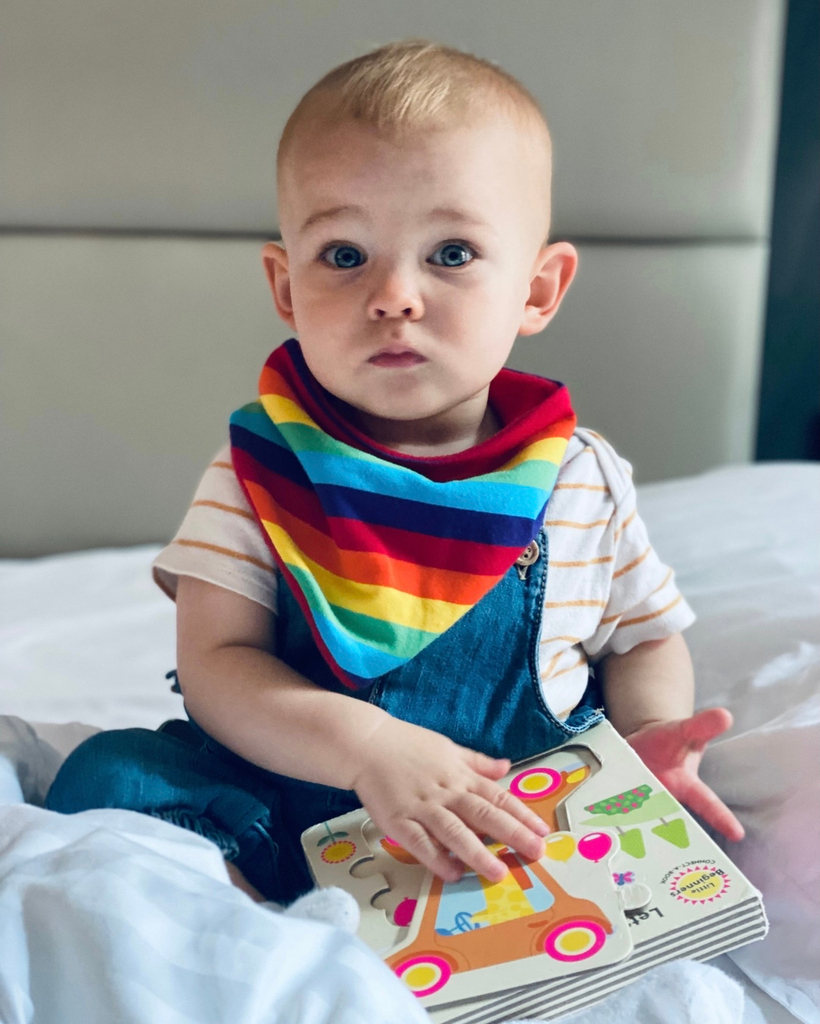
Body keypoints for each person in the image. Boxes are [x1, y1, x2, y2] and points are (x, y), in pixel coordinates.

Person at [46, 40, 744, 904]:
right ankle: (258, 918)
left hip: (501, 812)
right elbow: (218, 665)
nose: (394, 296)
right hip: (290, 796)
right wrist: (367, 747)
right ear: (286, 286)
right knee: (109, 777)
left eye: (450, 253)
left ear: (537, 291)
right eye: (345, 255)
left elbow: (642, 636)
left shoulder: (576, 477)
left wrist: (649, 738)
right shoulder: (261, 469)